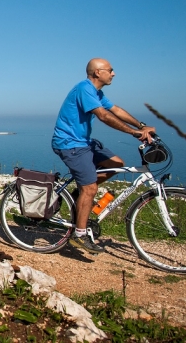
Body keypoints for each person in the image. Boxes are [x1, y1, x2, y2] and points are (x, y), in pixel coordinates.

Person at [52, 58, 155, 254]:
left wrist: (141, 126)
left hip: (83, 142)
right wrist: (133, 133)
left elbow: (115, 110)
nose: (114, 73)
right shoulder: (84, 89)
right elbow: (104, 116)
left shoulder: (96, 92)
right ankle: (79, 235)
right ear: (98, 72)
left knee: (116, 163)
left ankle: (79, 196)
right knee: (90, 188)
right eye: (110, 70)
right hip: (70, 144)